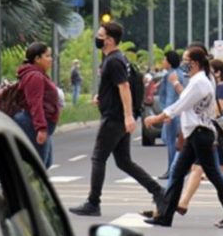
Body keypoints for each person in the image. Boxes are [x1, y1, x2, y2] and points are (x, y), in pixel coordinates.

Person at [69, 22, 163, 217]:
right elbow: (114, 88)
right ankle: (158, 192)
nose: (97, 37)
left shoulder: (114, 61)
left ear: (110, 40)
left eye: (100, 35)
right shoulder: (117, 59)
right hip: (117, 116)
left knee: (98, 158)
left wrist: (128, 116)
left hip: (114, 118)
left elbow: (124, 87)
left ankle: (93, 202)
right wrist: (102, 98)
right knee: (124, 161)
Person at [142, 44, 223, 227]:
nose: (183, 65)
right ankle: (165, 215)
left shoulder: (200, 82)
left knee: (214, 175)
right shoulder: (200, 79)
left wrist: (157, 118)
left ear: (194, 63)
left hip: (200, 134)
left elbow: (180, 105)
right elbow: (185, 102)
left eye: (186, 61)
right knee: (178, 174)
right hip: (196, 134)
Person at [178, 58, 223, 221]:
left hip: (218, 135)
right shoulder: (215, 87)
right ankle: (183, 202)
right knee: (198, 169)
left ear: (218, 73)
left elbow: (214, 112)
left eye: (210, 70)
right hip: (212, 134)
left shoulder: (221, 90)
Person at [14, 42, 60, 169]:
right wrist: (41, 128)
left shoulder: (38, 74)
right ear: (37, 59)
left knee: (46, 162)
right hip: (33, 124)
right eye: (47, 56)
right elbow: (35, 103)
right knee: (38, 165)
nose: (51, 59)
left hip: (41, 123)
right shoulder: (34, 76)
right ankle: (28, 188)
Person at [157, 50, 185, 179]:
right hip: (175, 113)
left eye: (164, 59)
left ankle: (173, 168)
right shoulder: (176, 73)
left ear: (169, 62)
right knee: (169, 140)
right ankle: (174, 167)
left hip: (173, 114)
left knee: (170, 141)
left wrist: (167, 113)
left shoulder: (172, 76)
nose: (163, 62)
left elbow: (171, 97)